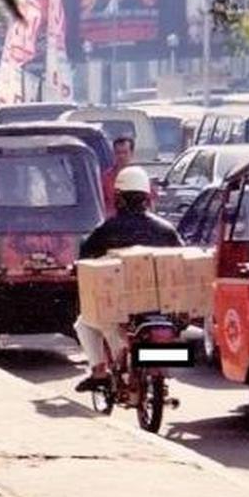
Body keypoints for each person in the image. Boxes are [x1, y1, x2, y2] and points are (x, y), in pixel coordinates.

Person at [73, 166, 184, 392]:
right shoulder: (166, 230)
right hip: (162, 309)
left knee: (83, 324)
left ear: (119, 197)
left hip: (118, 310)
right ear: (146, 196)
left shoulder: (106, 228)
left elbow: (84, 256)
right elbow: (181, 259)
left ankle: (99, 372)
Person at [101, 136, 135, 218]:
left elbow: (150, 204)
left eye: (125, 152)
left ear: (132, 153)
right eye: (118, 153)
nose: (121, 156)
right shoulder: (105, 178)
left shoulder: (140, 177)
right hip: (113, 223)